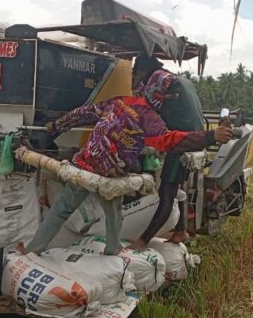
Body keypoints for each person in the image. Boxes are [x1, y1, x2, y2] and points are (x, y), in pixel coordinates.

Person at [20, 94, 232, 255]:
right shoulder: (151, 121)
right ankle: (112, 255)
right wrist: (211, 136)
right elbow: (172, 141)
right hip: (109, 177)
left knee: (61, 210)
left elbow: (84, 113)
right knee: (114, 217)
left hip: (86, 166)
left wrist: (56, 126)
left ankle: (32, 251)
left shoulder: (121, 101)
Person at [129, 55, 207, 249]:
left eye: (135, 72)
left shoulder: (156, 81)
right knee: (175, 186)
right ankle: (180, 230)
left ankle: (143, 240)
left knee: (166, 193)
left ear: (142, 70)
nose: (135, 76)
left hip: (182, 142)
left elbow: (140, 110)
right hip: (195, 137)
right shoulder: (171, 78)